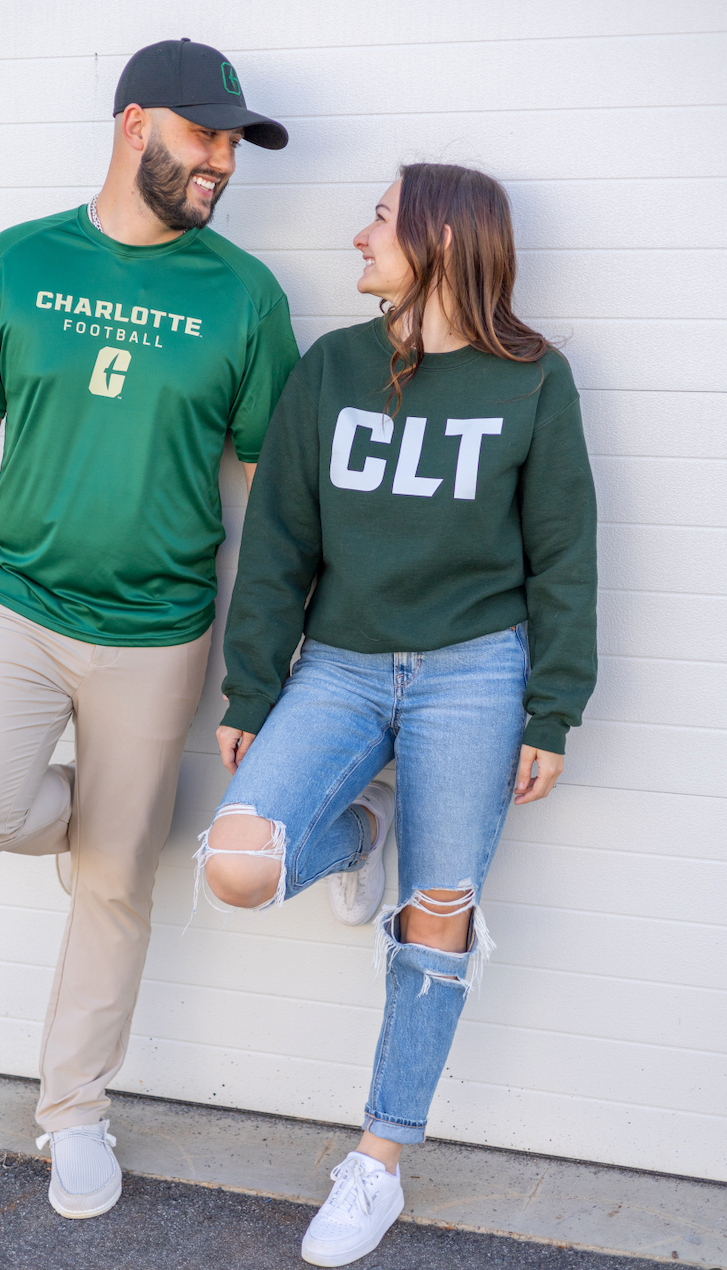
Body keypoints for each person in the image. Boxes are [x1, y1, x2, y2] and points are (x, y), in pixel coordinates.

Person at [0, 38, 298, 1220]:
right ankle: (120, 812)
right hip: (19, 605)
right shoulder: (19, 261)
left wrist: (267, 648)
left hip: (161, 630)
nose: (222, 161)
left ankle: (73, 1111)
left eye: (234, 144)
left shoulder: (244, 294)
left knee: (114, 884)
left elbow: (269, 486)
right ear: (134, 126)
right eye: (204, 135)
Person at [196, 163, 597, 1267]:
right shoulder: (332, 367)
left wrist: (552, 709)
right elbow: (278, 538)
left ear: (441, 241)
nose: (358, 236)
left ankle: (377, 1158)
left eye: (379, 217)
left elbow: (563, 555)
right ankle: (358, 830)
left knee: (438, 913)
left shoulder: (532, 380)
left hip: (475, 671)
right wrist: (252, 687)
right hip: (340, 666)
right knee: (238, 863)